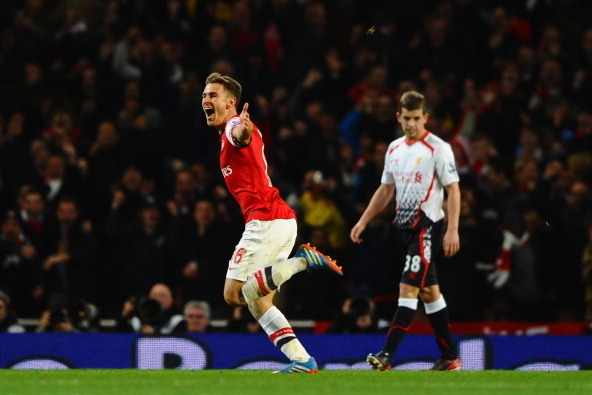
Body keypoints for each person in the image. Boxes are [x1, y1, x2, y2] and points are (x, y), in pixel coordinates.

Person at [201, 72, 343, 374]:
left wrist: (243, 128)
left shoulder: (232, 128)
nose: (206, 100)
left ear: (231, 103)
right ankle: (303, 361)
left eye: (213, 95)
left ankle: (302, 262)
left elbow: (241, 133)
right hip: (277, 220)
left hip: (267, 220)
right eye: (204, 95)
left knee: (234, 294)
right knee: (259, 302)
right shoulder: (225, 135)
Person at [350, 91, 462, 371]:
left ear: (425, 117)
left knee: (408, 287)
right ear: (399, 117)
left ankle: (387, 354)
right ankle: (449, 357)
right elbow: (386, 189)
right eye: (406, 119)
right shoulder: (394, 148)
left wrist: (452, 229)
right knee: (429, 292)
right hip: (402, 229)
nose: (411, 124)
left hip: (427, 227)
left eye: (416, 118)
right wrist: (364, 220)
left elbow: (453, 189)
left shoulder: (438, 148)